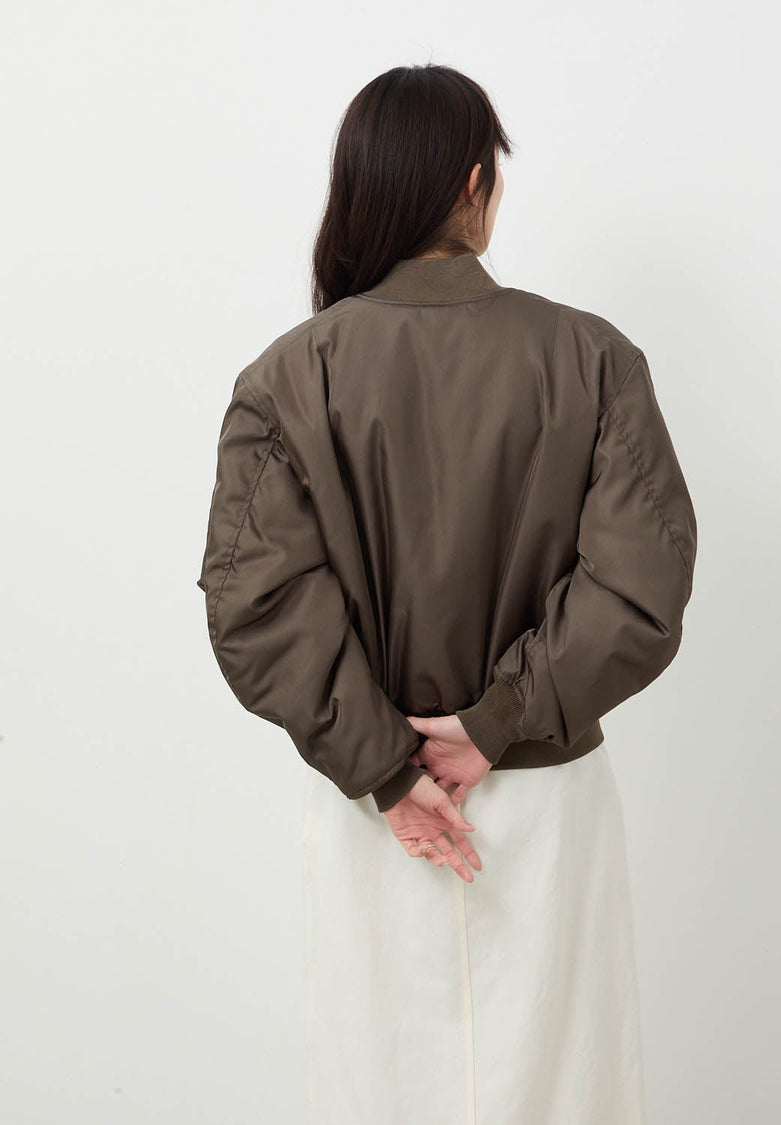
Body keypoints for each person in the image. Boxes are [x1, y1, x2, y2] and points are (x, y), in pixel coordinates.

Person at [197, 63, 698, 1125]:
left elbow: (256, 605)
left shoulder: (287, 376)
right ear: (475, 182)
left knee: (380, 1087)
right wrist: (495, 721)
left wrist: (388, 766)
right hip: (545, 798)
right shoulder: (593, 357)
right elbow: (641, 582)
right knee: (564, 1089)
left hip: (376, 810)